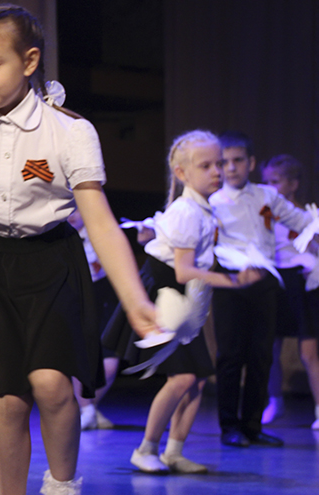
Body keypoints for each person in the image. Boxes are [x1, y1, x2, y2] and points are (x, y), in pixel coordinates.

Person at [0, 5, 158, 495]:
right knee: (8, 398)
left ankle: (63, 487)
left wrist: (136, 301)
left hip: (52, 262)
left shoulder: (68, 132)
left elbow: (101, 223)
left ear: (28, 61)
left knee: (51, 384)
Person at [105, 130, 262, 474]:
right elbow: (183, 271)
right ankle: (145, 449)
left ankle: (173, 452)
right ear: (182, 173)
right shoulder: (187, 211)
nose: (218, 171)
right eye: (206, 166)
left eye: (219, 163)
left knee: (197, 378)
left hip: (184, 297)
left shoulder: (205, 208)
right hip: (165, 294)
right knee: (182, 377)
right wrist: (234, 281)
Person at [210, 132, 312, 448]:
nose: (231, 168)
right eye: (224, 162)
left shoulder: (267, 195)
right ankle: (230, 425)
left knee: (261, 355)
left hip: (265, 282)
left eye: (238, 160)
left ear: (251, 162)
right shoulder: (212, 202)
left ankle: (253, 425)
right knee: (230, 355)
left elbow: (301, 220)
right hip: (231, 282)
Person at [260, 155, 319, 430]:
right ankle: (275, 400)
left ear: (293, 184)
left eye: (275, 181)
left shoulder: (307, 215)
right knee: (270, 347)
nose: (270, 187)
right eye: (266, 182)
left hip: (301, 283)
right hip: (276, 280)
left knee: (308, 350)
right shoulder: (265, 215)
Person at [68, 210, 119, 431]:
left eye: (77, 208)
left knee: (110, 362)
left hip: (103, 299)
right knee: (80, 358)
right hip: (74, 299)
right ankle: (87, 410)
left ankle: (89, 408)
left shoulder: (99, 233)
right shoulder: (60, 237)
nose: (72, 214)